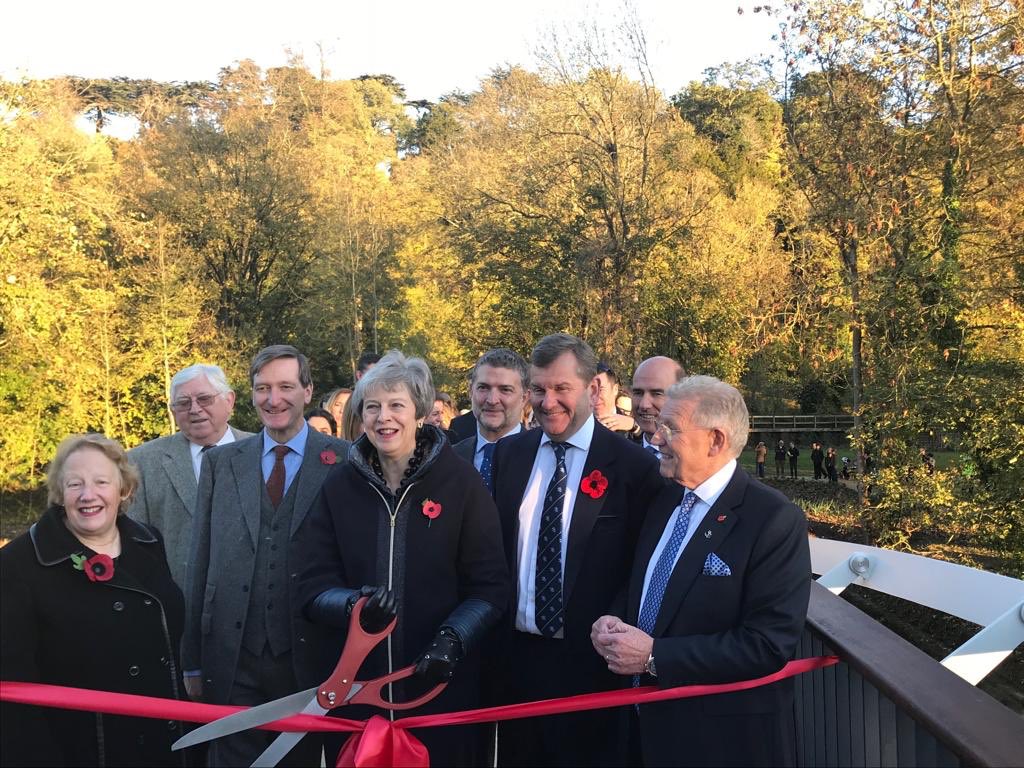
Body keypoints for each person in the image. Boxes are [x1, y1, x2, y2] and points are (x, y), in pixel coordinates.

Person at [298, 351, 509, 766]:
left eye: (396, 405)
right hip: (358, 695)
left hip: (439, 693)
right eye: (372, 407)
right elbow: (309, 585)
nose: (383, 417)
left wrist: (452, 641)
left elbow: (490, 588)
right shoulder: (339, 488)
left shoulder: (460, 482)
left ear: (420, 412)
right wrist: (353, 606)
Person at [591, 376, 811, 767]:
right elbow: (646, 584)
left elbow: (767, 644)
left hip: (718, 743)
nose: (656, 439)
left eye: (670, 428)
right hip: (641, 731)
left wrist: (655, 656)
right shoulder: (664, 497)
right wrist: (614, 619)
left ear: (716, 440)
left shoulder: (773, 519)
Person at [489, 333, 664, 766]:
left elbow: (643, 568)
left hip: (594, 668)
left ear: (592, 389)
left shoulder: (634, 467)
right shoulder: (509, 455)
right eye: (538, 388)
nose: (547, 402)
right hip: (517, 664)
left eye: (561, 388)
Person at [182, 345, 350, 767]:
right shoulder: (221, 463)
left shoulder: (344, 461)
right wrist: (192, 662)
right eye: (263, 388)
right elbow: (198, 564)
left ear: (308, 391)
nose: (273, 399)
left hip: (308, 659)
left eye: (286, 387)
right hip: (231, 655)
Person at [1, 434, 188, 766]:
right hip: (82, 751)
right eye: (75, 484)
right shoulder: (18, 564)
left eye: (101, 482)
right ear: (60, 493)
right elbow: (13, 693)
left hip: (164, 741)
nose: (88, 495)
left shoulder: (148, 542)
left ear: (124, 489)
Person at [127, 364, 251, 591]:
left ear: (230, 401)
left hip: (251, 602)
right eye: (183, 403)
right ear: (173, 411)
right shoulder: (140, 462)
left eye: (204, 399)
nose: (195, 409)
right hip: (178, 604)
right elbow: (133, 541)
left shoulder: (264, 452)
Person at [452, 348, 529, 492]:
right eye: (483, 388)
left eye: (505, 390)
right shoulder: (451, 458)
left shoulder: (540, 458)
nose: (492, 400)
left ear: (524, 398)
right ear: (471, 392)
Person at [630, 356, 686, 458]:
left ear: (681, 397)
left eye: (657, 394)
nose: (644, 405)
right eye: (638, 393)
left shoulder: (698, 460)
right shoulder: (619, 454)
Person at [592, 362, 636, 435]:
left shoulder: (631, 428)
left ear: (615, 389)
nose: (595, 396)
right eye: (591, 389)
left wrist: (634, 427)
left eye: (601, 390)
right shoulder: (575, 426)